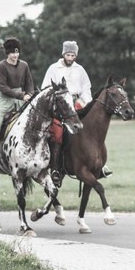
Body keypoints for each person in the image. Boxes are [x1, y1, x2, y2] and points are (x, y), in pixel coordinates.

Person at [41, 40, 103, 181]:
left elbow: (86, 89)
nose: (70, 58)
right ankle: (56, 167)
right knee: (57, 133)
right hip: (59, 106)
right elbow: (46, 88)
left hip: (77, 105)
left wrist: (85, 104)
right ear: (63, 54)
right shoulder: (53, 69)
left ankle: (99, 164)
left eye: (73, 55)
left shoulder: (80, 70)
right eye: (68, 54)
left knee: (92, 130)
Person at [0, 37, 37, 131]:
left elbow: (29, 82)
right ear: (8, 53)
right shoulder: (1, 66)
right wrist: (21, 95)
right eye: (13, 53)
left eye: (17, 52)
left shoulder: (24, 65)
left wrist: (29, 94)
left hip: (22, 98)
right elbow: (2, 87)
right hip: (5, 99)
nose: (15, 55)